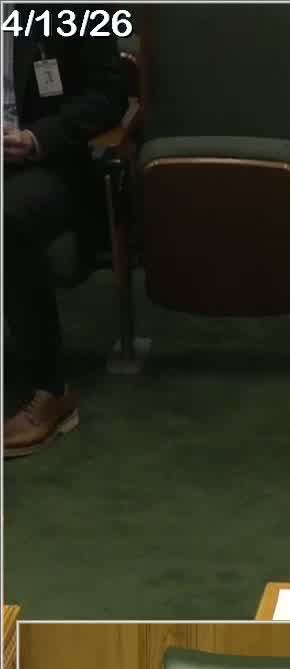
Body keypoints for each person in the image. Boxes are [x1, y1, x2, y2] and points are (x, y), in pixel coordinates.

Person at [4, 11, 127, 457]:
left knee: (8, 216)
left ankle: (51, 390)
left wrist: (37, 138)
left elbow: (109, 95)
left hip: (44, 161)